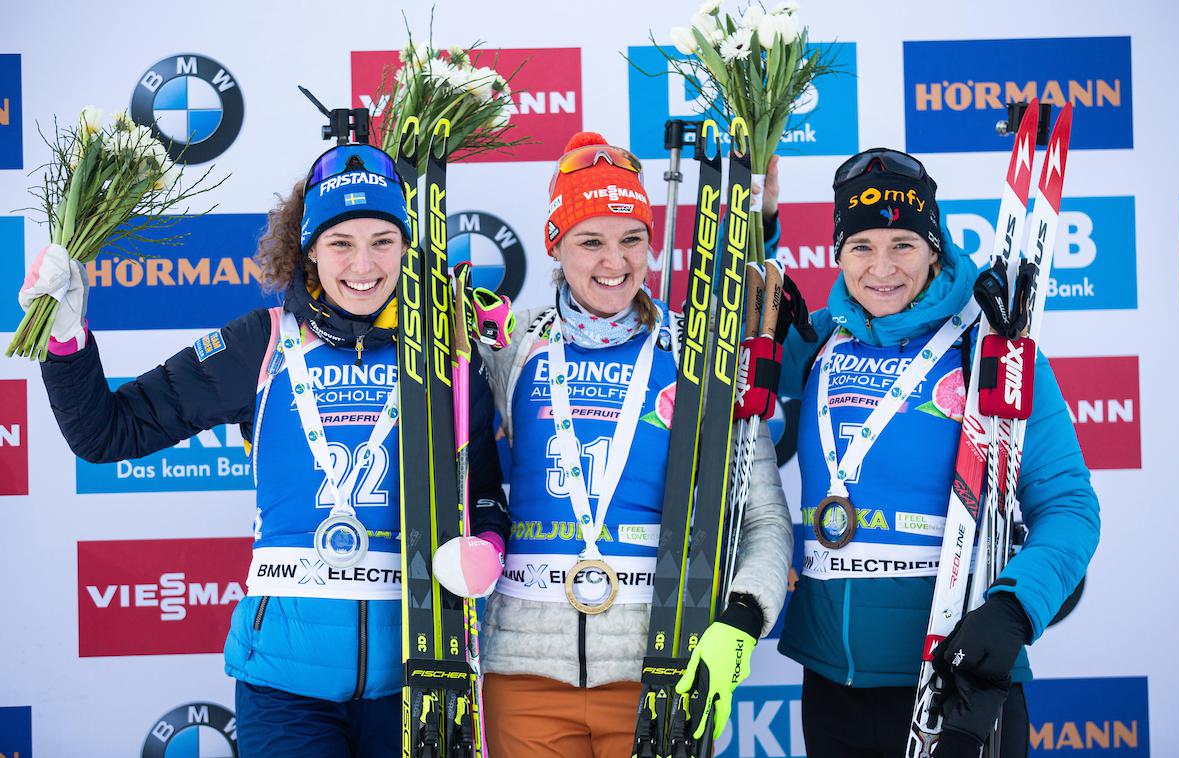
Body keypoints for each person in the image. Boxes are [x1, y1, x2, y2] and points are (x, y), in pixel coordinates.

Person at [23, 142, 509, 758]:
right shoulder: (264, 341)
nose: (364, 264)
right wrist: (66, 338)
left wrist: (487, 549)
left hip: (417, 676)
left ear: (407, 247)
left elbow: (486, 493)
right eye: (341, 243)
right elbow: (106, 434)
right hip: (284, 688)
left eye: (383, 240)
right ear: (309, 250)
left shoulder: (446, 355)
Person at [432, 131, 793, 758]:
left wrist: (743, 618)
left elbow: (761, 515)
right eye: (589, 240)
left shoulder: (702, 358)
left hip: (659, 669)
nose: (614, 261)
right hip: (523, 670)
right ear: (555, 245)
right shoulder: (512, 354)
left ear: (652, 245)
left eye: (632, 240)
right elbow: (461, 465)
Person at [773, 148, 1101, 757]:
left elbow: (1069, 505)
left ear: (935, 246)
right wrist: (755, 225)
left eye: (903, 244)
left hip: (957, 681)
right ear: (838, 254)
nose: (882, 268)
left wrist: (1014, 608)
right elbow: (725, 396)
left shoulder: (992, 348)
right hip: (831, 685)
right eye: (862, 246)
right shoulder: (813, 342)